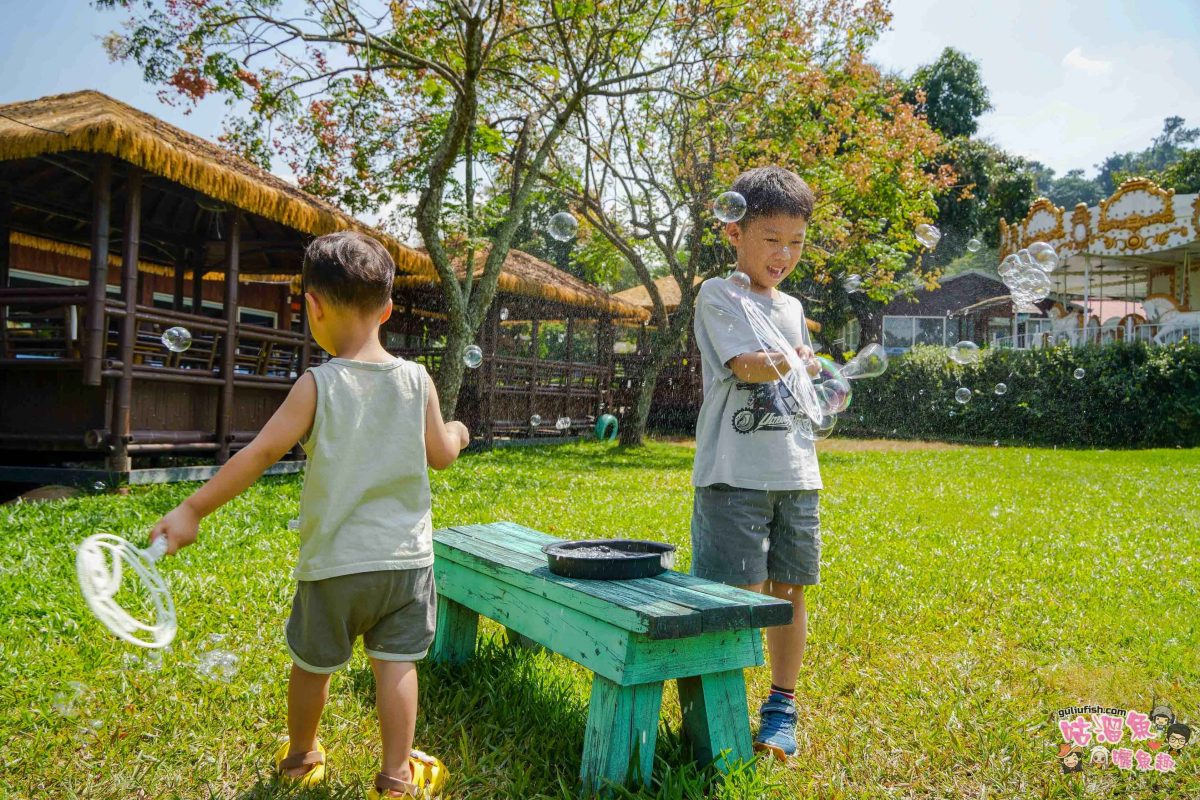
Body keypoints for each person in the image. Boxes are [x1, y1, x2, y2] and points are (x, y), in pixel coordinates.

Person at [150, 231, 469, 798]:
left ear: (313, 308)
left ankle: (301, 759)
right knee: (397, 666)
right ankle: (396, 780)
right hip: (404, 564)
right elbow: (441, 456)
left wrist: (192, 509)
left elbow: (260, 454)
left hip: (334, 565)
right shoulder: (418, 381)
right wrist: (458, 433)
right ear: (389, 309)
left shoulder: (317, 383)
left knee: (312, 666)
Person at [689, 165, 821, 762]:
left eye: (795, 241)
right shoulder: (718, 295)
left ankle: (780, 707)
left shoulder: (793, 307)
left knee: (788, 593)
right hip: (733, 474)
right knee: (733, 594)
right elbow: (745, 364)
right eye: (771, 238)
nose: (784, 253)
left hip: (794, 474)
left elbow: (797, 377)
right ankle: (717, 708)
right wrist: (794, 361)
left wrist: (810, 369)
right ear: (733, 231)